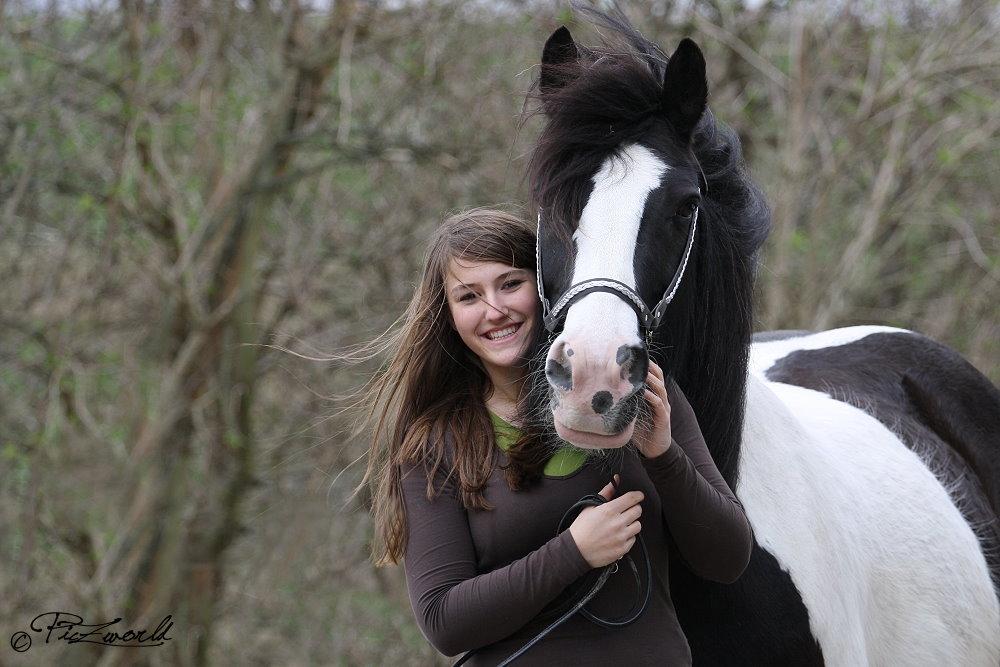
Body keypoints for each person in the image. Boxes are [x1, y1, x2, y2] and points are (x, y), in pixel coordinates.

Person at [358, 207, 752, 665]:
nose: (494, 309)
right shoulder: (434, 445)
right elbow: (444, 621)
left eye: (510, 284)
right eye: (468, 297)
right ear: (447, 317)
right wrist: (574, 551)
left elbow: (727, 559)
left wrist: (662, 455)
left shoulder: (634, 390)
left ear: (546, 287)